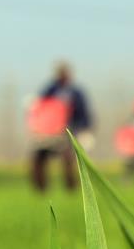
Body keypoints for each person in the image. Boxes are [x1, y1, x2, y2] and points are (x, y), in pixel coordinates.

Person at [26, 61, 93, 191]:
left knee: (69, 158)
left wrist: (83, 129)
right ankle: (41, 188)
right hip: (49, 133)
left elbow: (84, 113)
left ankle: (71, 188)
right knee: (38, 157)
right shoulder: (50, 90)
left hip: (69, 132)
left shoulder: (76, 93)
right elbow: (41, 107)